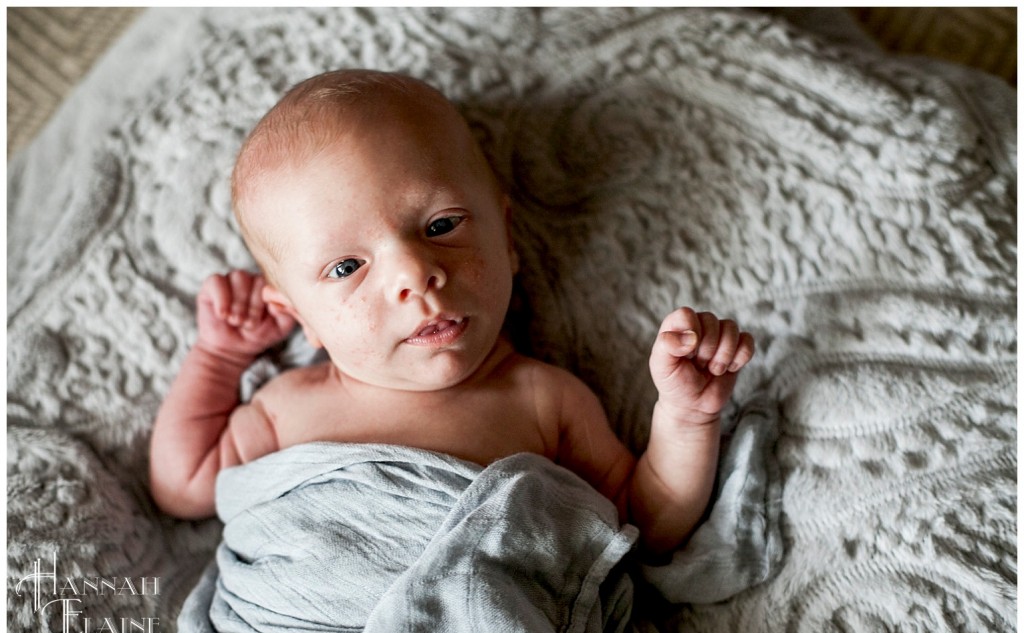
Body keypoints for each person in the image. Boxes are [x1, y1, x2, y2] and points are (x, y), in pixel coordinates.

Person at [149, 69, 755, 555]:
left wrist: (686, 418)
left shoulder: (545, 400)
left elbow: (645, 526)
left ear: (508, 239)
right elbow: (182, 486)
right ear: (300, 317)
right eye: (345, 268)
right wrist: (220, 357)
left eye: (441, 226)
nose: (415, 274)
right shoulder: (285, 408)